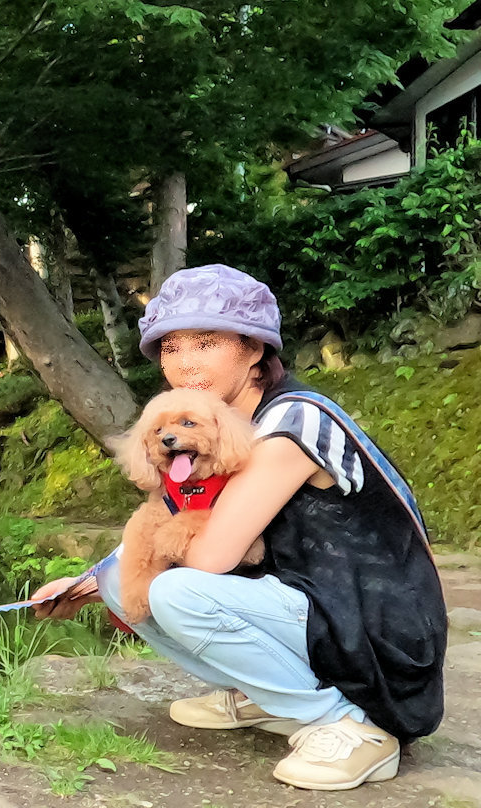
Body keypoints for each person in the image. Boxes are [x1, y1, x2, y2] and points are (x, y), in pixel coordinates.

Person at [31, 264, 445, 791]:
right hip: (313, 604)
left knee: (180, 589)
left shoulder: (291, 424)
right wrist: (91, 584)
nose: (184, 365)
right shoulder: (211, 433)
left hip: (377, 627)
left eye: (205, 343)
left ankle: (349, 726)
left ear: (253, 350)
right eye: (170, 348)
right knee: (120, 582)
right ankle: (265, 695)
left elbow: (210, 558)